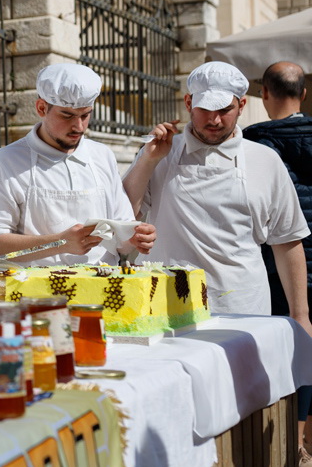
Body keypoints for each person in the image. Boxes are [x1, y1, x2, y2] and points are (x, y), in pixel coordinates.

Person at [122, 61, 311, 326]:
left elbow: (288, 240)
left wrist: (301, 316)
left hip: (244, 309)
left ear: (241, 106)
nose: (214, 120)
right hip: (167, 309)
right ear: (188, 103)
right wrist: (148, 160)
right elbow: (124, 217)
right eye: (205, 109)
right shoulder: (159, 154)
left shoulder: (265, 159)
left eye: (225, 110)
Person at [0, 63, 155, 266]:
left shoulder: (102, 155)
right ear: (42, 108)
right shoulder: (6, 161)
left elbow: (123, 240)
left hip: (103, 292)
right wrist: (60, 243)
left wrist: (134, 237)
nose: (78, 126)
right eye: (67, 115)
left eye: (85, 115)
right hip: (36, 294)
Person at [242, 61, 312, 467]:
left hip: (281, 258)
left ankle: (294, 440)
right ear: (303, 93)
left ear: (264, 94)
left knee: (289, 343)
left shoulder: (253, 142)